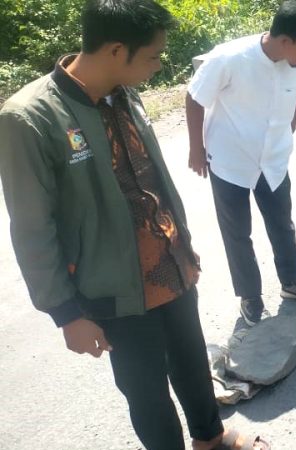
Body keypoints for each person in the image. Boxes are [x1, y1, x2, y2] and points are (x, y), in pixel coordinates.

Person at [0, 1, 269, 449]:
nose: (159, 65)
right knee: (147, 392)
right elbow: (31, 227)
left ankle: (210, 439)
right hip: (114, 288)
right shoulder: (30, 118)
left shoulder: (125, 91)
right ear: (115, 50)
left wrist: (182, 244)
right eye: (153, 56)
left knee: (191, 362)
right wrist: (66, 314)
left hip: (171, 266)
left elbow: (150, 178)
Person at [186, 0, 296, 326]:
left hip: (274, 162)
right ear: (285, 41)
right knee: (237, 233)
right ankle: (250, 297)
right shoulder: (230, 58)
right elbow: (194, 97)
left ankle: (293, 283)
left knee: (282, 224)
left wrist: (289, 128)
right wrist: (196, 148)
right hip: (230, 162)